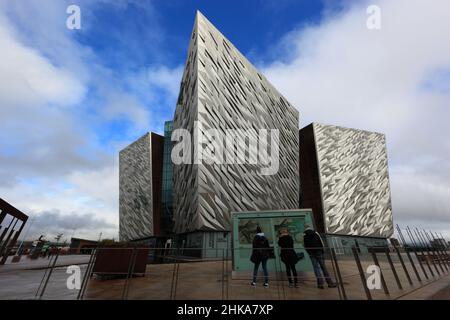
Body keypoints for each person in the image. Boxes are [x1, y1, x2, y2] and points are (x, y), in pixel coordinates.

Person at [303, 224, 337, 289]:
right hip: (319, 251)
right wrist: (323, 250)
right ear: (310, 227)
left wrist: (308, 252)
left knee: (316, 268)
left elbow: (304, 245)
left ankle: (320, 284)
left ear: (304, 229)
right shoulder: (315, 233)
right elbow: (321, 242)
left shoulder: (304, 235)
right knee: (323, 267)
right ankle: (330, 283)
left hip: (311, 253)